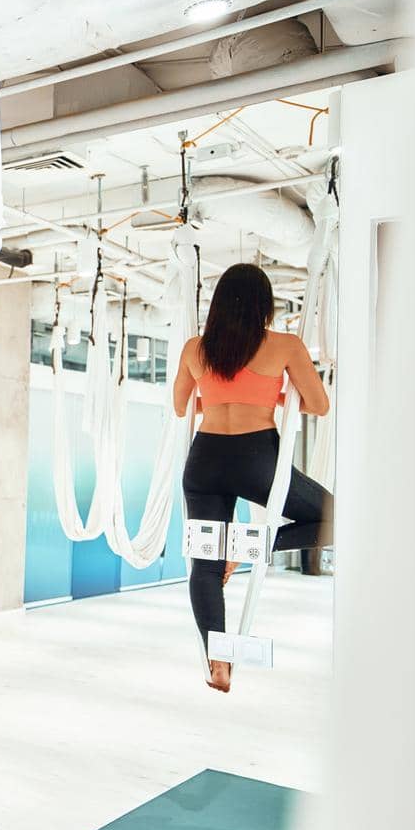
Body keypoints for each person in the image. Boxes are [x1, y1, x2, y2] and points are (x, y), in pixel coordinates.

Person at [172, 263, 333, 693]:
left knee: (204, 564)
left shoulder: (197, 349)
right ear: (264, 305)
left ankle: (217, 662)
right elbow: (318, 405)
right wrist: (276, 392)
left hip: (204, 461)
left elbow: (182, 406)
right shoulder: (284, 346)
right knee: (335, 517)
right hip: (255, 456)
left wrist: (226, 394)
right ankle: (251, 547)